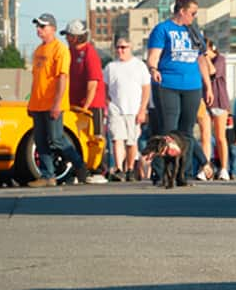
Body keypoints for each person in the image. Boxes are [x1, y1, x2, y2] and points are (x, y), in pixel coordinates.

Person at [146, 0, 214, 183]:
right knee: (169, 130)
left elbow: (201, 60)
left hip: (192, 86)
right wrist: (153, 69)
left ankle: (184, 173)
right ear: (181, 11)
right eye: (192, 13)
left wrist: (207, 86)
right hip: (168, 84)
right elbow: (153, 56)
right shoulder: (162, 29)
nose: (194, 17)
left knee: (186, 133)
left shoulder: (194, 32)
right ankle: (162, 173)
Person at [26, 13, 93, 187]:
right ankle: (48, 176)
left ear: (53, 29)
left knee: (56, 139)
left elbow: (62, 78)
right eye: (38, 27)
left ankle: (80, 165)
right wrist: (30, 102)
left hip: (53, 103)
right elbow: (36, 79)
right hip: (38, 103)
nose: (39, 30)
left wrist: (57, 103)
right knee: (40, 140)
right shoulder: (38, 50)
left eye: (43, 26)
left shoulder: (60, 49)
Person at [61, 19, 109, 183]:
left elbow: (93, 82)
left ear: (77, 36)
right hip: (74, 104)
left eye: (69, 35)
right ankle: (79, 170)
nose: (66, 38)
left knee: (95, 137)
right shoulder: (69, 52)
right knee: (77, 137)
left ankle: (98, 170)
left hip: (92, 104)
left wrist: (86, 106)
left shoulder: (89, 52)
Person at [103, 36, 150, 182]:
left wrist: (142, 109)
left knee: (131, 141)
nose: (120, 50)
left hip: (133, 109)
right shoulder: (111, 67)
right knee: (117, 138)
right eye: (118, 47)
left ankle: (130, 168)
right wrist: (107, 102)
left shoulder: (139, 66)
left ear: (130, 47)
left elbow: (146, 89)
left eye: (123, 47)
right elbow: (104, 87)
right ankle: (119, 168)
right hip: (116, 108)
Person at [206, 38, 230, 181]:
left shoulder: (220, 59)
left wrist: (206, 58)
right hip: (205, 101)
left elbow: (213, 72)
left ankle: (224, 168)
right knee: (206, 137)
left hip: (219, 102)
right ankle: (206, 167)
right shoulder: (201, 60)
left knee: (220, 137)